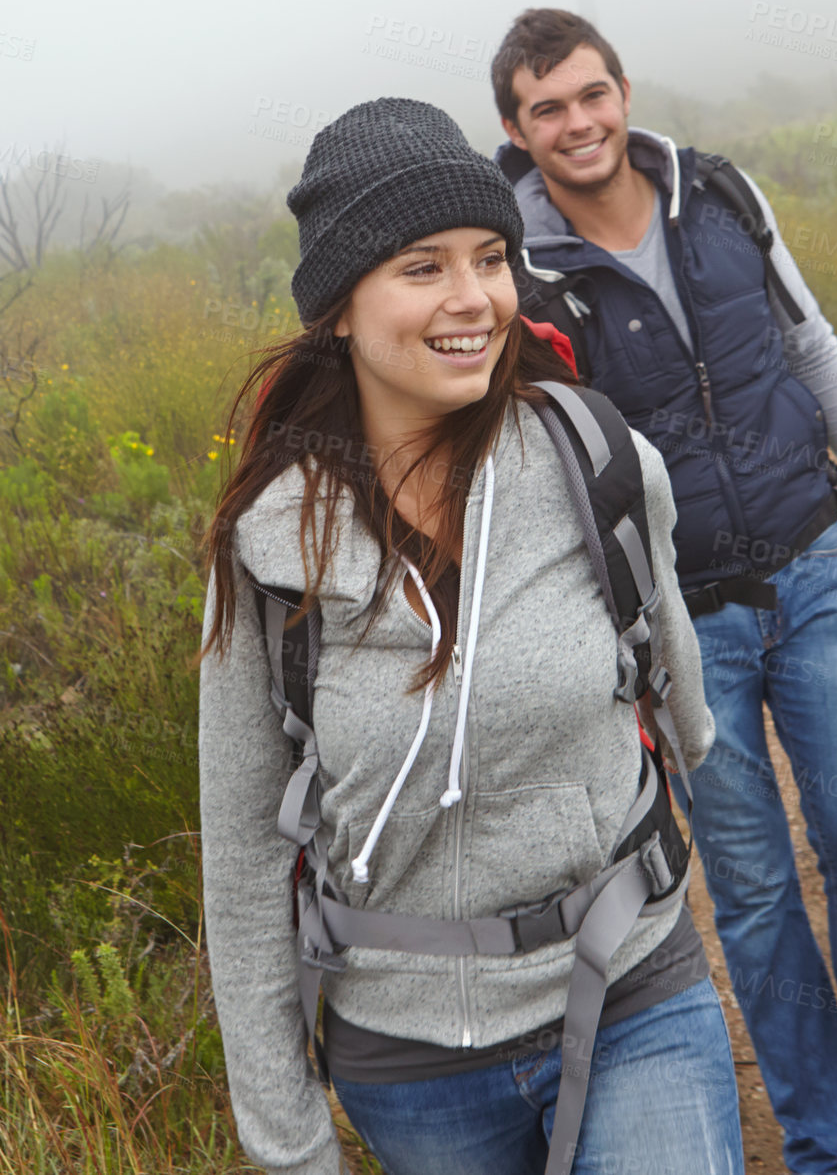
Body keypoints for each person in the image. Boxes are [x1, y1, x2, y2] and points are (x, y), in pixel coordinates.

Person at [492, 11, 837, 1175]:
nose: (577, 123)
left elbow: (811, 347)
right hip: (679, 622)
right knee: (758, 896)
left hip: (815, 567)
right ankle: (824, 1141)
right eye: (547, 109)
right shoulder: (516, 270)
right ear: (516, 132)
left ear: (623, 88)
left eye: (589, 94)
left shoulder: (717, 194)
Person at [197, 97, 744, 1175]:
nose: (473, 300)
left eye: (491, 257)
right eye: (421, 267)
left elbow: (685, 710)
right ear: (338, 310)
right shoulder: (265, 549)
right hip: (409, 1060)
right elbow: (245, 861)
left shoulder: (599, 460)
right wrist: (287, 1137)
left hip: (632, 980)